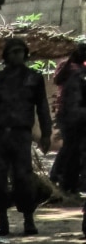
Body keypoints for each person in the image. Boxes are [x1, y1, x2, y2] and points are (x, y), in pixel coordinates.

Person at [0, 37, 52, 236]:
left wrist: (46, 134)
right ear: (6, 56)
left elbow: (43, 109)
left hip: (21, 135)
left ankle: (28, 220)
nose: (17, 55)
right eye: (13, 52)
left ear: (25, 54)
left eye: (20, 51)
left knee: (24, 179)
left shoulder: (34, 79)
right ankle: (2, 222)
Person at [48, 43, 86, 193]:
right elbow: (75, 101)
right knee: (72, 150)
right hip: (75, 116)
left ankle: (63, 180)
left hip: (67, 116)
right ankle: (63, 180)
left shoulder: (68, 68)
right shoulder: (78, 73)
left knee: (70, 149)